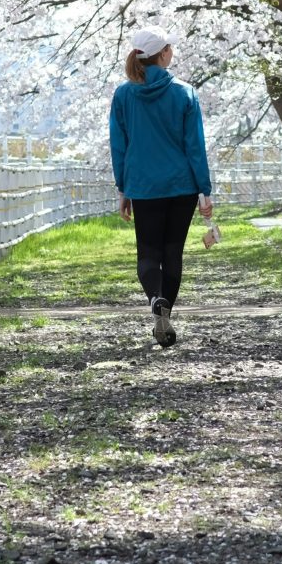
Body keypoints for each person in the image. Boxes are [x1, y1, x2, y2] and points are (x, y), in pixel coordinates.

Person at [109, 25, 214, 348]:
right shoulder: (185, 92)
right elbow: (195, 145)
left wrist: (123, 188)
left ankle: (156, 300)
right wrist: (204, 190)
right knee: (172, 253)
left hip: (143, 186)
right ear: (163, 54)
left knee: (148, 253)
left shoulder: (124, 95)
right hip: (181, 186)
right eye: (170, 48)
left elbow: (119, 145)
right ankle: (164, 312)